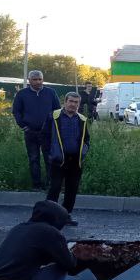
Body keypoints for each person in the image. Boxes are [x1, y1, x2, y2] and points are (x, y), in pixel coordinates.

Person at [12, 70, 60, 189]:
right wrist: (23, 125)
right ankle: (36, 185)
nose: (38, 82)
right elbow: (16, 111)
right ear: (29, 80)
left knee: (50, 158)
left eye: (40, 79)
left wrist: (54, 126)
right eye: (35, 79)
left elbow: (57, 110)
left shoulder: (51, 92)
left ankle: (50, 184)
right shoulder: (22, 94)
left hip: (48, 132)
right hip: (30, 132)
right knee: (34, 159)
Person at [46, 92, 89, 224]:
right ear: (65, 102)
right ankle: (49, 216)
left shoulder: (82, 119)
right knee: (55, 188)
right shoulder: (54, 116)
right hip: (58, 159)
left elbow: (86, 139)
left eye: (76, 102)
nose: (73, 104)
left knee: (72, 190)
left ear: (79, 104)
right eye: (71, 101)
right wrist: (50, 153)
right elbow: (44, 136)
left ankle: (65, 215)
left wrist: (84, 151)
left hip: (75, 160)